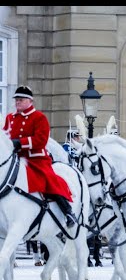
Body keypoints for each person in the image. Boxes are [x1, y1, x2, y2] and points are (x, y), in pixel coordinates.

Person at [3, 85, 77, 227]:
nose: (17, 102)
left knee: (48, 179)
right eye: (16, 99)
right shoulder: (10, 118)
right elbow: (5, 136)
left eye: (21, 99)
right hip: (15, 158)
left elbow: (40, 140)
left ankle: (68, 211)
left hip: (35, 158)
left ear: (30, 101)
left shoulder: (39, 117)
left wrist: (20, 143)